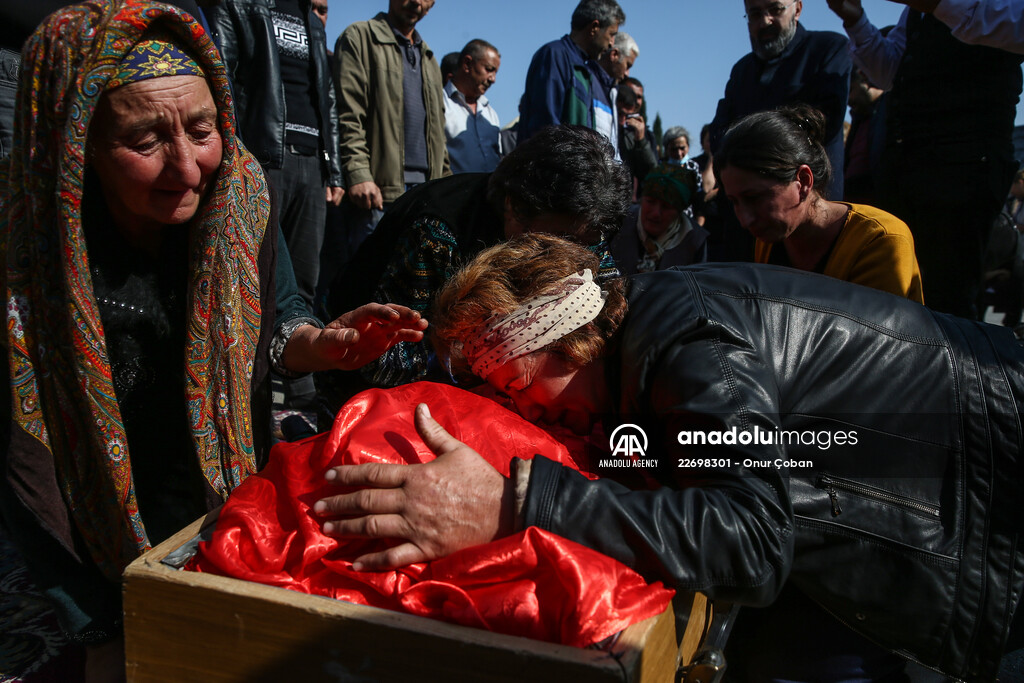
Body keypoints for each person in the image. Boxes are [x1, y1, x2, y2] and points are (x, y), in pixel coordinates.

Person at [316, 232, 1024, 681]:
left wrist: (520, 501)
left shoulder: (691, 347)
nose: (527, 418)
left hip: (996, 504)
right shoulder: (644, 348)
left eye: (519, 391)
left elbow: (753, 535)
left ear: (574, 340)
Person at [0, 2, 425, 677]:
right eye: (144, 141)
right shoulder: (28, 252)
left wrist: (321, 342)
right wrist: (99, 626)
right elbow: (27, 461)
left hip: (204, 482)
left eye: (202, 129)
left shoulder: (239, 196)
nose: (188, 167)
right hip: (85, 507)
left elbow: (281, 312)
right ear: (73, 141)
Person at [323, 125, 630, 393]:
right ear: (514, 208)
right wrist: (480, 354)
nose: (572, 255)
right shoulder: (438, 233)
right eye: (559, 242)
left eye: (584, 243)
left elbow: (610, 296)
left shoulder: (581, 227)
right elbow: (382, 358)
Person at [827, 0, 1023, 318]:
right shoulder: (914, 14)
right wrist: (855, 19)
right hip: (906, 166)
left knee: (947, 302)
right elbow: (890, 72)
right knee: (897, 298)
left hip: (963, 165)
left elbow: (1008, 26)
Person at [206, 0, 345, 310]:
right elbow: (221, 78)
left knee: (304, 280)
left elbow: (328, 100)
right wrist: (234, 155)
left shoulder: (312, 20)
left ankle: (295, 355)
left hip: (312, 165)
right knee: (250, 276)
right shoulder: (240, 5)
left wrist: (333, 171)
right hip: (261, 158)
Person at [716, 106, 923, 302]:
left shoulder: (879, 240)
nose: (745, 219)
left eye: (754, 198)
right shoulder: (770, 238)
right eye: (734, 202)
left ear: (804, 180)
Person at [709, 0, 851, 261]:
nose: (765, 21)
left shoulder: (829, 49)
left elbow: (824, 122)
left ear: (797, 8)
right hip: (746, 231)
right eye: (754, 13)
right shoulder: (742, 71)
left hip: (807, 220)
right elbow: (719, 131)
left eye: (775, 10)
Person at [333, 0, 448, 256]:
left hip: (425, 196)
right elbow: (348, 113)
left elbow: (439, 133)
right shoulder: (360, 37)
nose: (416, 2)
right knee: (366, 285)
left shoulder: (428, 57)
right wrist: (359, 172)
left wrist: (445, 189)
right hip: (378, 193)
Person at [518, 0, 624, 144]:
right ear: (594, 27)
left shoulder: (584, 69)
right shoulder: (555, 55)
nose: (612, 43)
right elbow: (545, 127)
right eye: (611, 34)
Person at [610, 163, 709, 275]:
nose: (656, 213)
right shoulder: (620, 223)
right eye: (650, 202)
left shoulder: (694, 241)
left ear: (679, 211)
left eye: (666, 207)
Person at [443, 39, 502, 174]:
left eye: (495, 72)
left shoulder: (490, 113)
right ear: (467, 64)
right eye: (488, 69)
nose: (493, 79)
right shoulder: (440, 104)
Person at [615, 85, 656, 192]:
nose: (622, 121)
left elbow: (651, 173)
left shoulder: (635, 135)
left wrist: (641, 140)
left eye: (627, 116)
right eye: (619, 114)